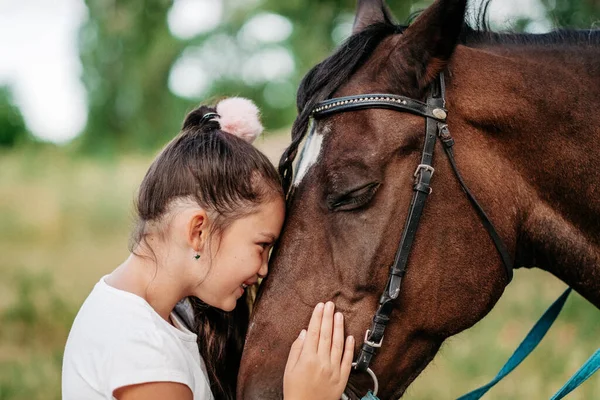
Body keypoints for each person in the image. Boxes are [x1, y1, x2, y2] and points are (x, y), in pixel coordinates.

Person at [61, 97, 355, 400]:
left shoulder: (156, 321)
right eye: (262, 245)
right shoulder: (139, 349)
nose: (264, 268)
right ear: (198, 231)